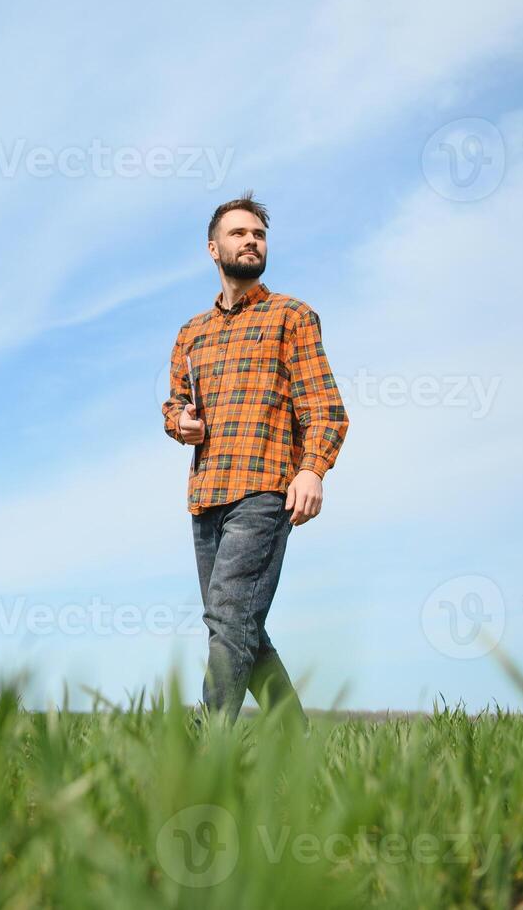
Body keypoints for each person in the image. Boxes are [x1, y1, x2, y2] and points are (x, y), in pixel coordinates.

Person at [161, 192, 349, 729]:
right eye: (239, 233)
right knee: (238, 626)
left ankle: (206, 746)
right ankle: (294, 742)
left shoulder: (292, 316)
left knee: (228, 617)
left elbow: (326, 408)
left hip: (265, 490)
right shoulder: (191, 334)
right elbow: (176, 404)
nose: (251, 241)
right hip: (206, 497)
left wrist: (312, 468)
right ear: (213, 248)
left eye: (259, 235)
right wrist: (181, 424)